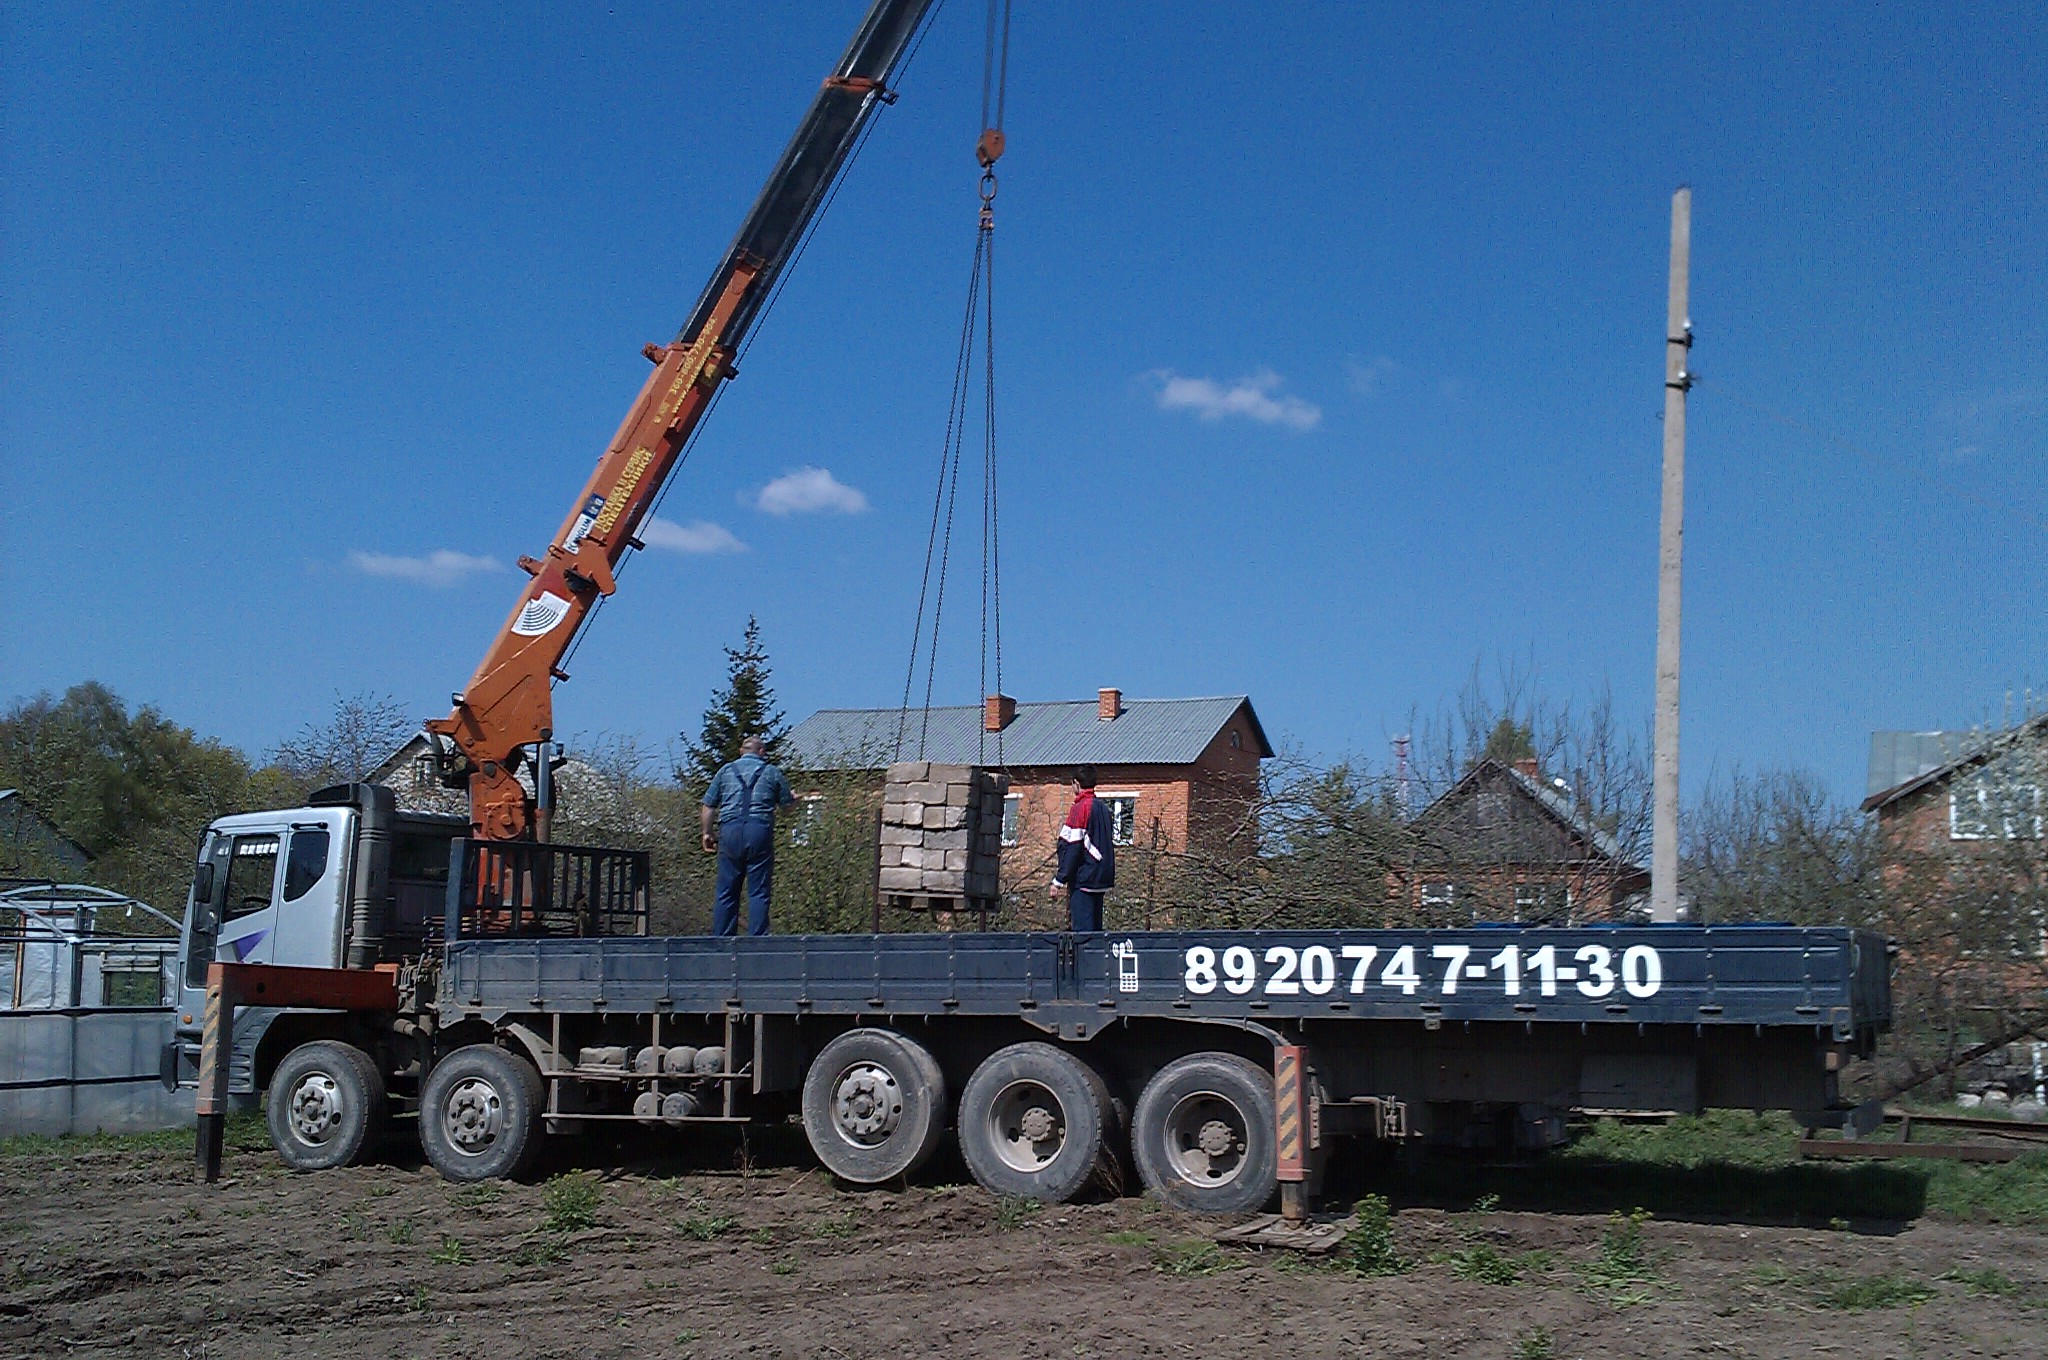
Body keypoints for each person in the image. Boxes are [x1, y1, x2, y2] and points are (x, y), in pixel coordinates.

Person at [700, 735, 796, 937]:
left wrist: (707, 833)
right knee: (758, 891)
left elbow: (708, 806)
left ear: (741, 752)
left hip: (729, 830)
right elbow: (787, 808)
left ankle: (721, 940)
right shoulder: (772, 772)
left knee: (726, 891)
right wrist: (794, 800)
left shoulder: (726, 771)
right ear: (761, 752)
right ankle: (757, 941)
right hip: (759, 830)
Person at [1049, 764, 1115, 932]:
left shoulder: (1081, 808)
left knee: (1083, 935)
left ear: (1076, 783)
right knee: (1096, 933)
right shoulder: (1104, 809)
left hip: (1084, 878)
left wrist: (1059, 880)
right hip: (1102, 878)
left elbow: (1073, 847)